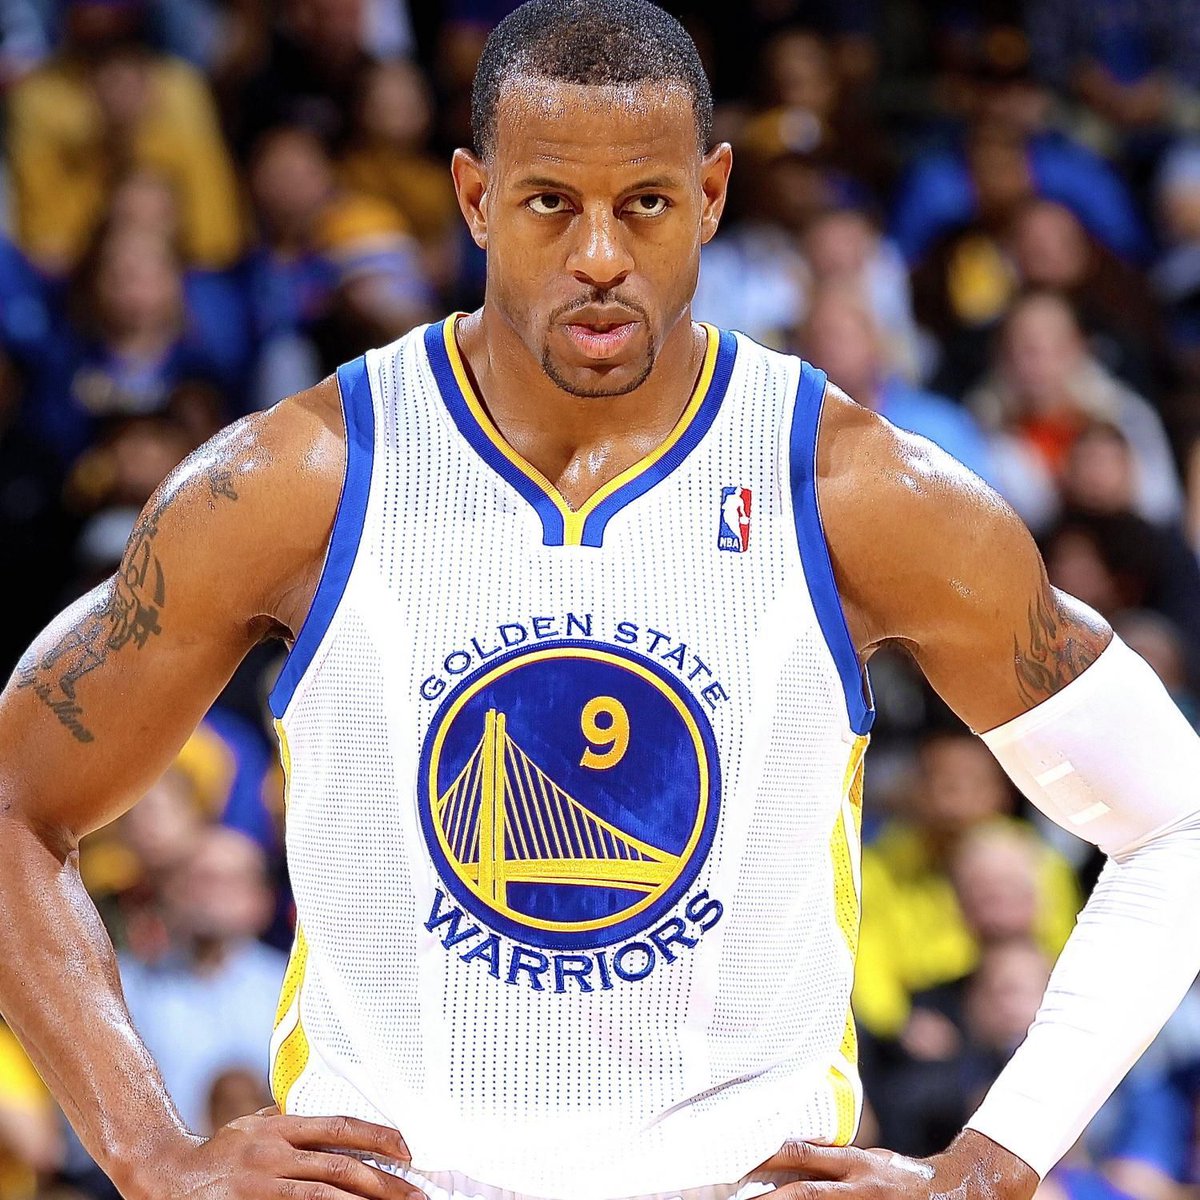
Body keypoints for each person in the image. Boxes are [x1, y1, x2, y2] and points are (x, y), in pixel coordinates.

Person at [2, 4, 1200, 1200]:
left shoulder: (855, 492)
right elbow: (14, 803)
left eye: (646, 204)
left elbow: (1177, 824)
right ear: (475, 197)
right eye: (548, 203)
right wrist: (150, 1154)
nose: (599, 256)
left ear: (712, 195)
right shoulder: (300, 477)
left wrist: (990, 1169)